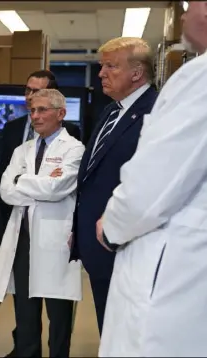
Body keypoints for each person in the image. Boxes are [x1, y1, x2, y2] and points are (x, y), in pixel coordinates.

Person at [96, 2, 207, 356]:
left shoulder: (199, 80)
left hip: (174, 269)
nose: (184, 15)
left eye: (190, 5)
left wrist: (109, 225)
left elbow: (149, 188)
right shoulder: (107, 112)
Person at [68, 37, 158, 336]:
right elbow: (93, 174)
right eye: (101, 66)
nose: (101, 74)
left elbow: (151, 184)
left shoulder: (156, 114)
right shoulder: (110, 111)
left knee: (129, 334)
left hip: (128, 247)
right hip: (98, 244)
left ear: (136, 73)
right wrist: (78, 227)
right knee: (108, 328)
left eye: (111, 66)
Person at [0, 89, 84, 358]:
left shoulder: (74, 149)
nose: (35, 116)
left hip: (57, 244)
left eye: (42, 110)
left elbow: (58, 188)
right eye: (32, 110)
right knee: (26, 318)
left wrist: (23, 180)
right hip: (24, 241)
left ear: (61, 113)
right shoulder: (23, 150)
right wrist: (35, 183)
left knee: (59, 319)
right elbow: (6, 191)